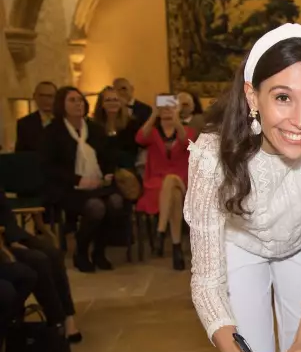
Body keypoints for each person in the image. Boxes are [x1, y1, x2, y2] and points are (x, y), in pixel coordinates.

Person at [185, 23, 301, 352]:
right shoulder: (211, 155)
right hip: (241, 246)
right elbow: (207, 278)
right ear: (252, 96)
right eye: (282, 97)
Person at [41, 86, 124, 273]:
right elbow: (49, 167)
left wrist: (108, 174)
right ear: (61, 104)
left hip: (97, 183)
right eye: (72, 100)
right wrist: (78, 180)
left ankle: (100, 251)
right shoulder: (53, 132)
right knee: (96, 207)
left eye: (80, 100)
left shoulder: (94, 129)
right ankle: (81, 250)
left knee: (116, 202)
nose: (78, 104)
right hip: (68, 188)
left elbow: (108, 157)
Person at [0, 187, 81, 341]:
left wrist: (12, 238)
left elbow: (4, 208)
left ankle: (68, 316)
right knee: (38, 260)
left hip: (8, 233)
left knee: (53, 254)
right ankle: (56, 319)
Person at [136, 96, 196, 270]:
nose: (167, 109)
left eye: (171, 106)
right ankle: (176, 247)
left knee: (172, 181)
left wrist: (176, 120)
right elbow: (140, 139)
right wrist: (153, 114)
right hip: (157, 186)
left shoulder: (187, 130)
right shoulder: (153, 132)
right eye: (163, 106)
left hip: (182, 181)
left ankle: (160, 232)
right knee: (174, 195)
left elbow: (187, 142)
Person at [93, 86, 141, 170]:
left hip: (126, 168)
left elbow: (132, 153)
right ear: (102, 104)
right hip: (101, 169)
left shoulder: (131, 123)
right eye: (108, 100)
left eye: (115, 100)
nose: (112, 103)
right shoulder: (94, 126)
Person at [15, 81, 57, 153]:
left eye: (50, 96)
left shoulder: (66, 120)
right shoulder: (24, 124)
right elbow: (20, 155)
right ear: (34, 97)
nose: (46, 100)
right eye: (41, 96)